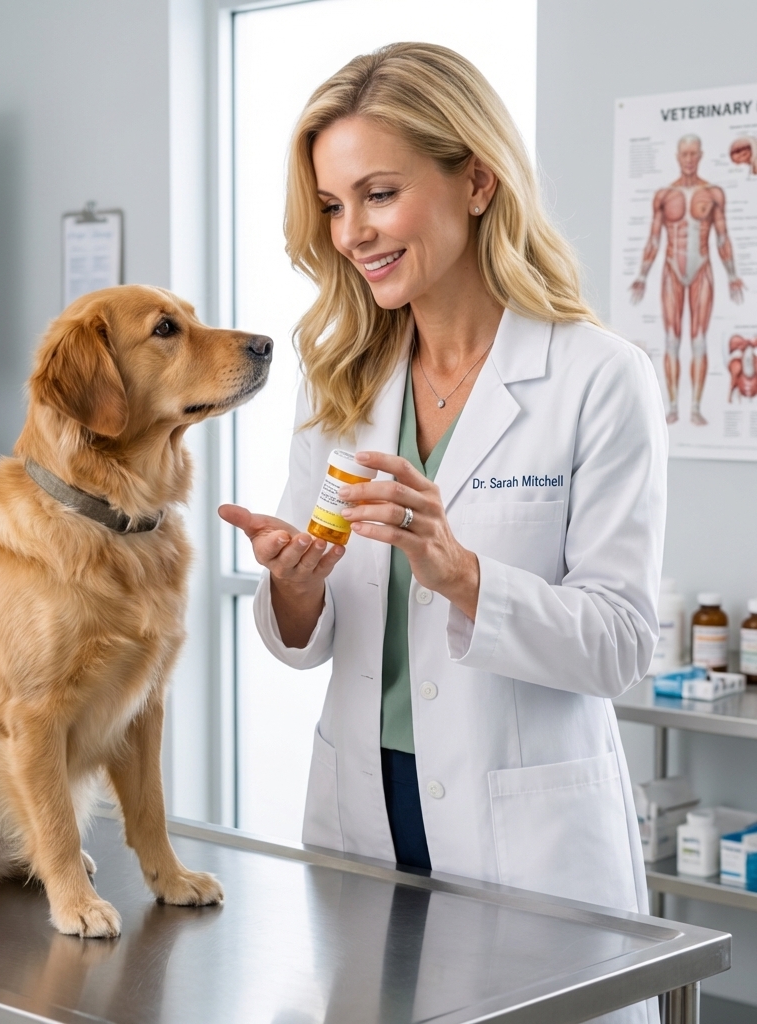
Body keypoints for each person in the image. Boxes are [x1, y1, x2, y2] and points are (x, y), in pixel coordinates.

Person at [220, 43, 665, 1024]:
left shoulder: (598, 377)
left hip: (529, 832)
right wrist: (293, 585)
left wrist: (463, 574)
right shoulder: (338, 383)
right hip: (362, 812)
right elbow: (308, 637)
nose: (352, 233)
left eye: (376, 193)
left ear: (476, 177)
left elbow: (622, 643)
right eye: (334, 206)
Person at [629, 134, 745, 425]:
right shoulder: (664, 195)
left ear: (701, 155)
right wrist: (642, 275)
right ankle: (671, 406)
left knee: (698, 340)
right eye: (685, 154)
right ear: (678, 157)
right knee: (671, 339)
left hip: (702, 270)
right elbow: (654, 239)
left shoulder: (714, 193)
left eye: (694, 153)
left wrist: (732, 276)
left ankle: (694, 407)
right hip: (671, 269)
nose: (690, 159)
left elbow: (723, 237)